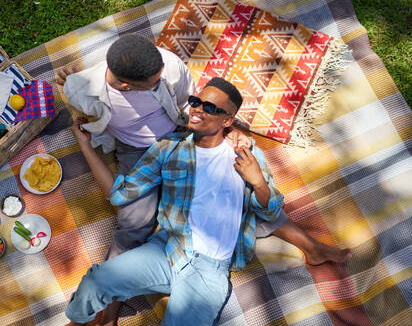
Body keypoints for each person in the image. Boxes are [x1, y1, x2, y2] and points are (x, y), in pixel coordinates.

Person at [59, 34, 351, 267]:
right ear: (125, 84)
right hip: (136, 150)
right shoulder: (81, 91)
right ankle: (108, 297)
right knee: (135, 220)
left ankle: (310, 248)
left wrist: (226, 129)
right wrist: (73, 86)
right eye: (153, 83)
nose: (162, 80)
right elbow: (85, 109)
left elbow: (191, 104)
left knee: (239, 185)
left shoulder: (169, 66)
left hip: (183, 133)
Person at [66, 78, 285, 325]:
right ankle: (77, 322)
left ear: (227, 120)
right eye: (196, 102)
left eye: (211, 108)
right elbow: (120, 193)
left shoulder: (247, 152)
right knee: (97, 280)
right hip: (168, 250)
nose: (199, 109)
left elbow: (271, 210)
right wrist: (85, 146)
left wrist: (258, 182)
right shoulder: (169, 147)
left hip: (208, 272)